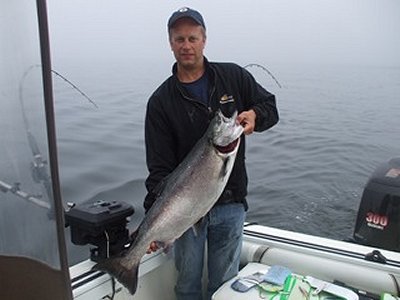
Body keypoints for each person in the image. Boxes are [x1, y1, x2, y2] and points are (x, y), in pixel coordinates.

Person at [144, 7, 279, 300]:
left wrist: (256, 114)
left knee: (224, 285)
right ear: (170, 43)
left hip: (230, 204)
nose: (186, 45)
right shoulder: (160, 102)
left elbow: (270, 106)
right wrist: (154, 222)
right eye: (179, 39)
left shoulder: (234, 76)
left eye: (193, 38)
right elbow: (159, 170)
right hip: (184, 211)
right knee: (187, 285)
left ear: (204, 39)